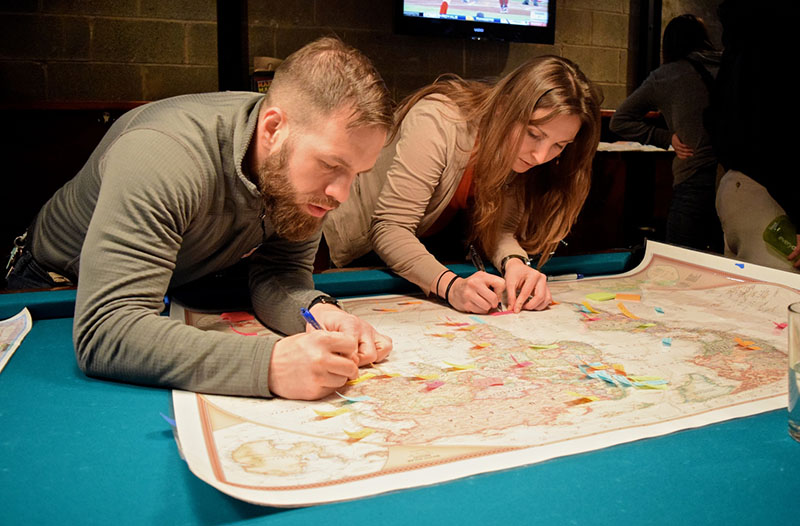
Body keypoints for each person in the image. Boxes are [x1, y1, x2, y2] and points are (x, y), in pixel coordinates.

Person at [4, 37, 395, 400]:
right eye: (331, 165)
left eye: (356, 174)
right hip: (54, 285)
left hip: (177, 283)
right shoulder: (163, 155)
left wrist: (318, 310)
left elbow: (279, 272)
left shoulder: (302, 164)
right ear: (274, 128)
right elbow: (107, 330)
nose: (341, 194)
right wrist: (270, 365)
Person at [323, 55, 602, 314]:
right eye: (533, 134)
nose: (541, 156)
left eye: (559, 145)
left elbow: (501, 228)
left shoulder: (518, 149)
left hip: (408, 252)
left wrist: (515, 263)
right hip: (340, 248)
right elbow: (390, 227)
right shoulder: (438, 119)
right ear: (505, 108)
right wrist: (452, 287)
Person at [610, 14, 723, 253]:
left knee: (680, 263)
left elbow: (619, 121)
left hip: (694, 177)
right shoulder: (729, 66)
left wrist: (666, 138)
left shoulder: (667, 76)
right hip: (736, 179)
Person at [710, 0, 799, 271]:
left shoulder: (741, 45)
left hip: (735, 187)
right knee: (779, 306)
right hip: (773, 198)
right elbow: (782, 138)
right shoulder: (781, 40)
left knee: (745, 303)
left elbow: (714, 119)